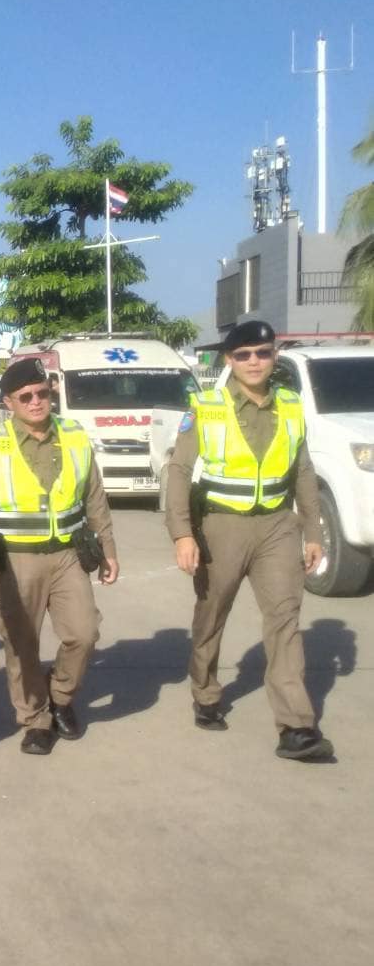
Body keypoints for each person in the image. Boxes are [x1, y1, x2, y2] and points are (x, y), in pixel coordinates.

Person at [163, 319, 333, 761]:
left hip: (277, 526)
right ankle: (205, 692)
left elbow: (303, 470)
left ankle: (296, 727)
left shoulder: (291, 404)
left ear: (274, 355)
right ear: (229, 360)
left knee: (284, 618)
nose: (254, 362)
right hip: (221, 526)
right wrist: (182, 534)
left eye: (262, 353)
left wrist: (313, 531)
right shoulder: (207, 406)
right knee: (212, 614)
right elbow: (179, 471)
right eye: (243, 355)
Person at [0, 358, 120, 755]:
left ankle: (60, 696)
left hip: (67, 555)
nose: (36, 401)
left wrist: (108, 549)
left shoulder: (74, 435)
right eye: (25, 396)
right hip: (16, 560)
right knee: (21, 642)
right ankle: (36, 718)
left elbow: (95, 496)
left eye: (42, 393)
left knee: (84, 633)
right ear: (8, 402)